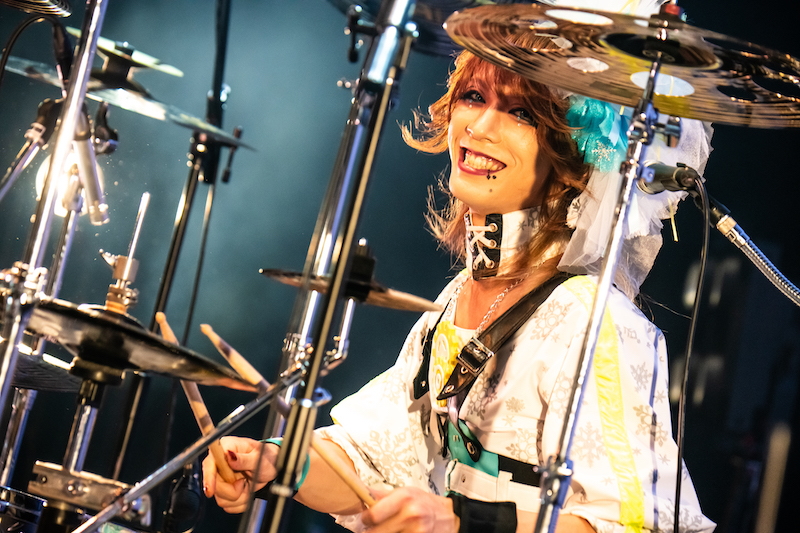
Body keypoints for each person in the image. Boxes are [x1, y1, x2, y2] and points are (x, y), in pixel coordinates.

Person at [202, 25, 715, 533]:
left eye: (521, 113)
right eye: (473, 97)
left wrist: (461, 522)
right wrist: (276, 463)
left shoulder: (592, 322)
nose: (480, 127)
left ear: (575, 153)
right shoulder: (457, 298)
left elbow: (637, 527)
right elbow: (372, 458)